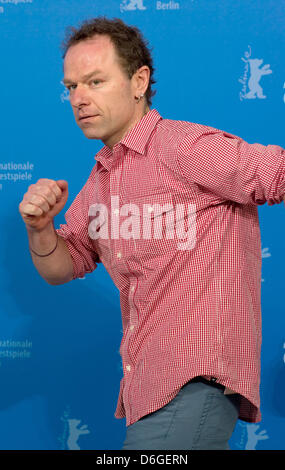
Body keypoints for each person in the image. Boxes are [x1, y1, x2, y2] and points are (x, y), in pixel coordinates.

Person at [19, 17, 285, 450]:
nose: (79, 99)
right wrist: (40, 228)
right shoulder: (100, 181)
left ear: (138, 81)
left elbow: (276, 173)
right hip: (145, 390)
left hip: (194, 380)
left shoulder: (186, 147)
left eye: (95, 81)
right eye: (71, 87)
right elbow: (61, 266)